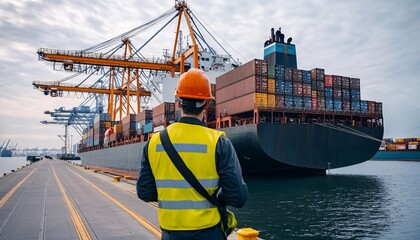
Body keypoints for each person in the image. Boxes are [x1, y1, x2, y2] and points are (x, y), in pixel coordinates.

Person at [137, 68, 248, 240]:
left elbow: (144, 193)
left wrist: (173, 195)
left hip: (170, 234)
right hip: (209, 233)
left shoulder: (155, 142)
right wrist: (217, 197)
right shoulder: (219, 142)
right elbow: (238, 198)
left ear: (179, 102)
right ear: (207, 103)